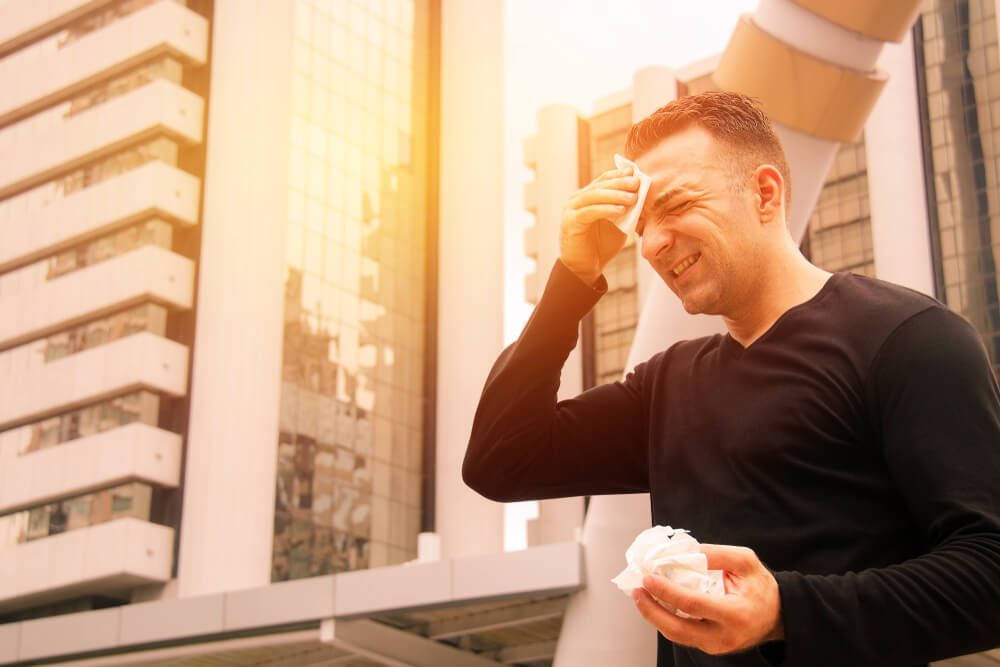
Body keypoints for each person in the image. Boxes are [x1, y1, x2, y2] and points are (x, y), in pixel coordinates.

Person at [463, 91, 1000, 666]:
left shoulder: (908, 337)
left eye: (676, 206)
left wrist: (785, 613)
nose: (650, 244)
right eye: (640, 225)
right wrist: (573, 278)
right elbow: (501, 460)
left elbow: (990, 567)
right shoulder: (668, 386)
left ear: (764, 194)